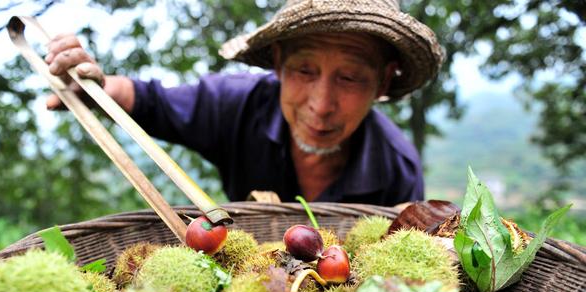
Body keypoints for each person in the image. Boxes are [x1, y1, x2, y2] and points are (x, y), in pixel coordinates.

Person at [45, 0, 443, 205]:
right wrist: (96, 85)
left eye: (350, 77)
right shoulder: (233, 105)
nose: (321, 105)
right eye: (305, 71)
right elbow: (150, 101)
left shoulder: (397, 170)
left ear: (383, 81)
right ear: (278, 63)